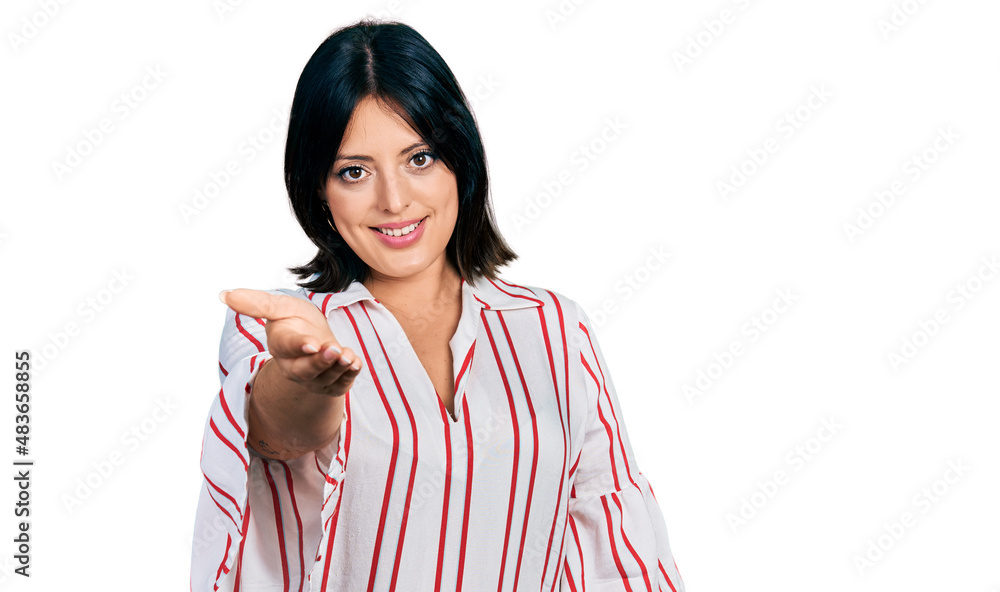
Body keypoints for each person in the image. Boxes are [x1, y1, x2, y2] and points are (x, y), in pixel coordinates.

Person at [191, 18, 685, 592]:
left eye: (419, 158)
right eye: (354, 172)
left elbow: (618, 545)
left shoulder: (554, 329)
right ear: (318, 190)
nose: (394, 200)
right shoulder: (280, 325)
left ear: (460, 161)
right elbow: (278, 433)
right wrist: (306, 380)